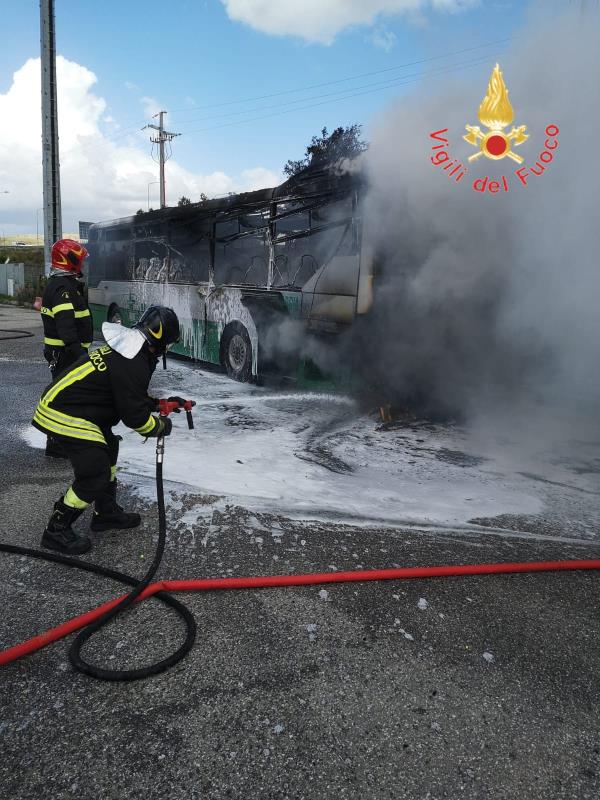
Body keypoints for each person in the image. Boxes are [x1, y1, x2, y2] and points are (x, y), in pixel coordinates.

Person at [32, 305, 181, 555]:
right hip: (63, 411)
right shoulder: (134, 361)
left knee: (110, 445)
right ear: (162, 340)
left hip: (77, 407)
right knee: (95, 472)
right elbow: (135, 418)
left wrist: (157, 404)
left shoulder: (130, 350)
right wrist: (160, 426)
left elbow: (125, 395)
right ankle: (56, 529)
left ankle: (105, 512)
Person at [40, 239, 93, 458]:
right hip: (66, 354)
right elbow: (66, 326)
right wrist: (79, 354)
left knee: (70, 396)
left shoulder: (64, 285)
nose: (82, 264)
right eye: (79, 260)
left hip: (66, 353)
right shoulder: (62, 288)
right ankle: (57, 444)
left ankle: (65, 440)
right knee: (67, 398)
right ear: (68, 260)